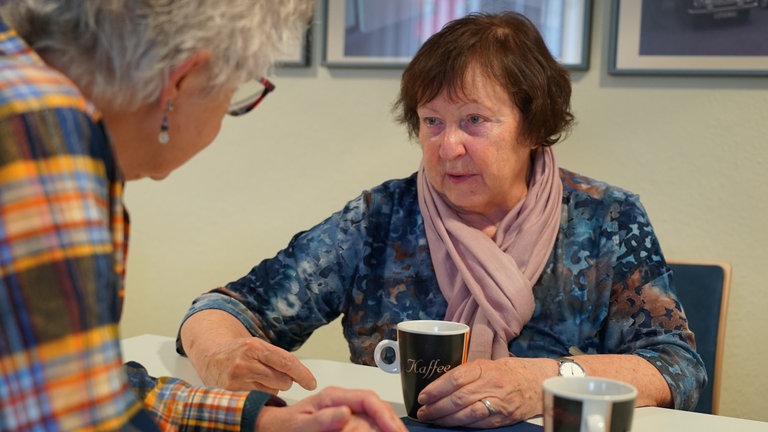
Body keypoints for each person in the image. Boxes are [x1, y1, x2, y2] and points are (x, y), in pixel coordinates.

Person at [177, 11, 707, 429]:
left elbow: (675, 366)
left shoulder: (606, 218)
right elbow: (225, 307)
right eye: (432, 121)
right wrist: (221, 353)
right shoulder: (379, 218)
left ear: (534, 125)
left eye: (474, 120)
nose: (448, 145)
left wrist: (545, 381)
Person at [0, 1, 407, 431]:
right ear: (182, 82)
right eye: (236, 95)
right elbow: (76, 419)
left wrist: (264, 421)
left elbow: (78, 382)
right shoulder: (41, 136)